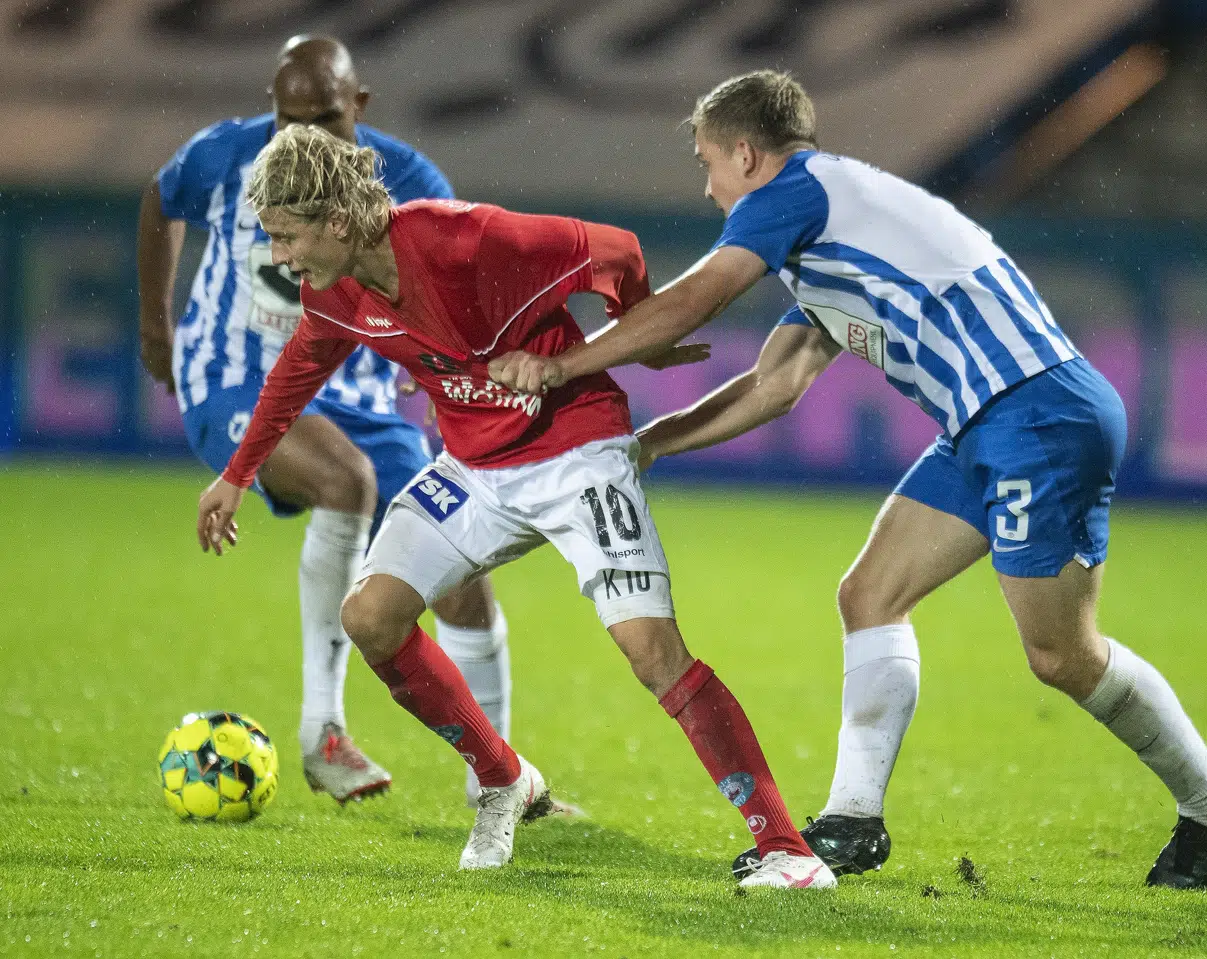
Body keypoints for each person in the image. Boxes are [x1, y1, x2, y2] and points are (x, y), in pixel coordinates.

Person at [487, 69, 1207, 891]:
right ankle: (853, 821)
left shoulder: (798, 191)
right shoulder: (832, 232)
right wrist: (651, 444)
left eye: (709, 162)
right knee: (869, 595)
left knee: (1061, 655)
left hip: (1037, 417)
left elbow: (691, 304)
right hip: (987, 423)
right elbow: (773, 387)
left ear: (748, 154)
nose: (709, 186)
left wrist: (561, 365)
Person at [192, 123, 835, 888]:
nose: (280, 255)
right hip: (472, 470)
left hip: (577, 452)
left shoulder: (469, 241)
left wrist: (639, 332)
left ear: (336, 220)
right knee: (369, 615)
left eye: (287, 236)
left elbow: (619, 248)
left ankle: (788, 851)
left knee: (650, 650)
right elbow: (298, 370)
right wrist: (238, 474)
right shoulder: (329, 292)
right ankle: (504, 778)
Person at [136, 35, 519, 806]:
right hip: (234, 380)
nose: (304, 138)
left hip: (361, 402)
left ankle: (500, 781)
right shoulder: (226, 154)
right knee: (347, 480)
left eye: (326, 119)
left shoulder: (409, 178)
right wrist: (157, 328)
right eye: (289, 120)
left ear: (362, 108)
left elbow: (444, 283)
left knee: (462, 574)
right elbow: (160, 199)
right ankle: (324, 731)